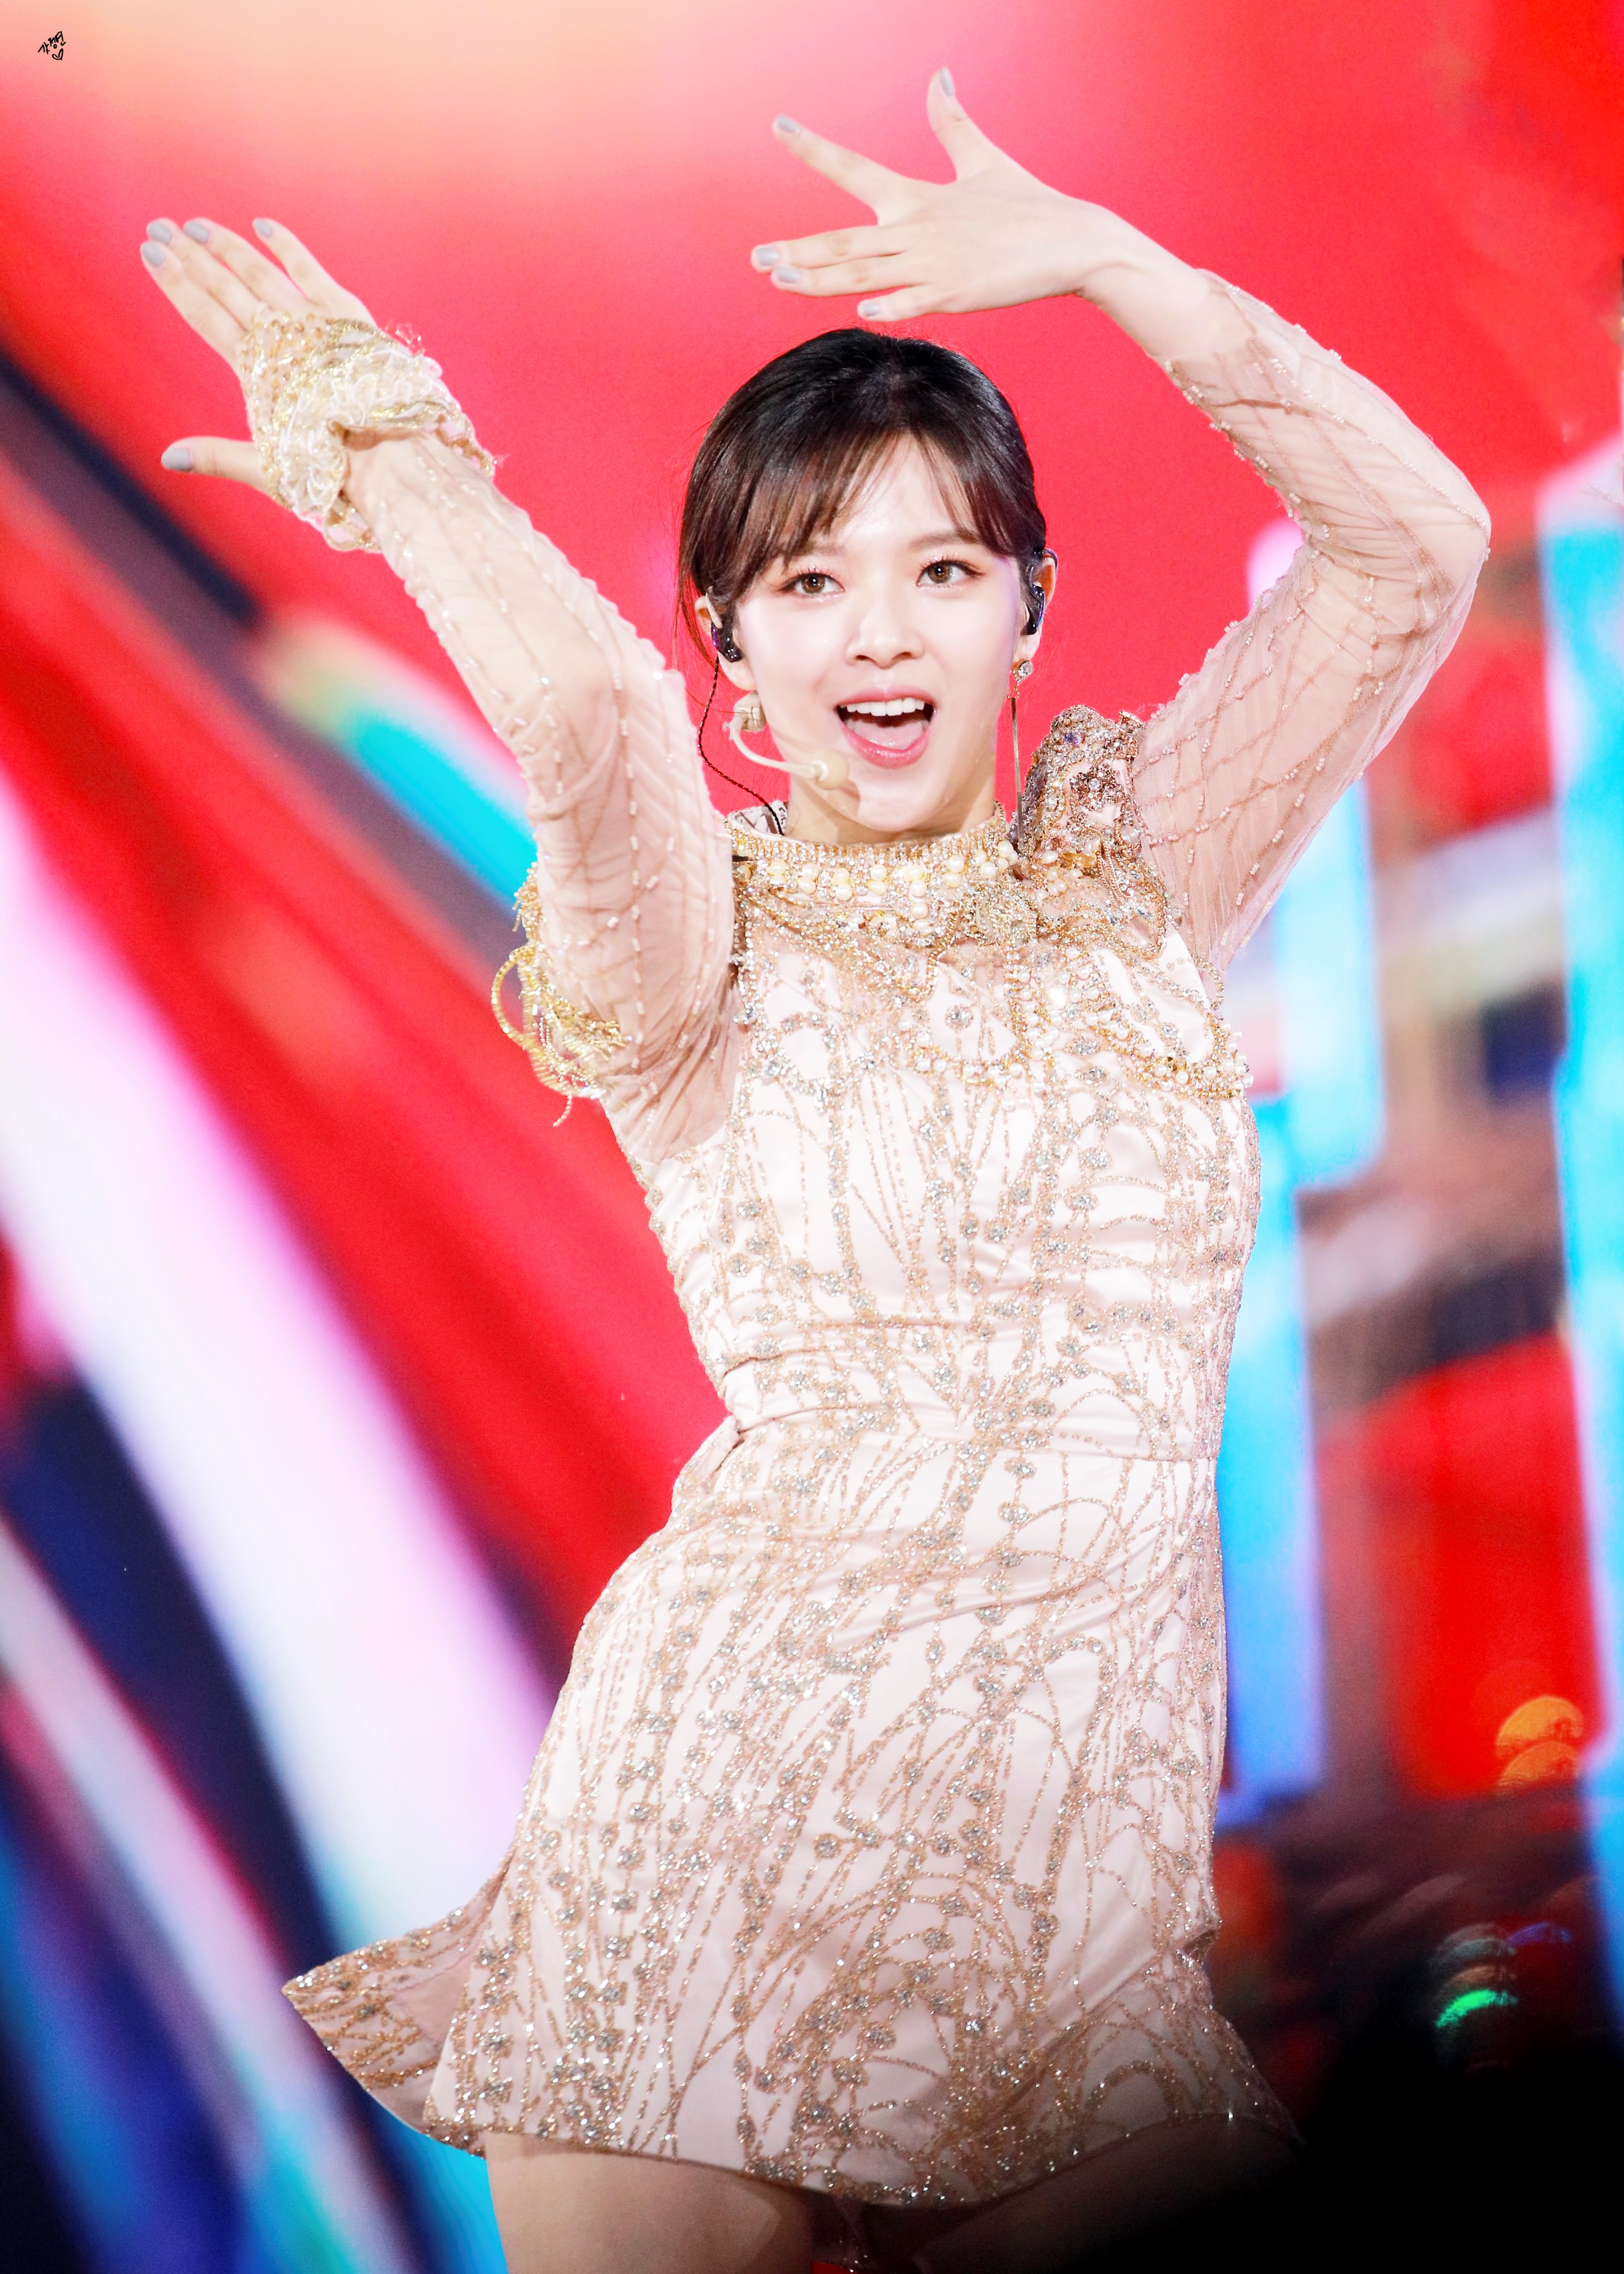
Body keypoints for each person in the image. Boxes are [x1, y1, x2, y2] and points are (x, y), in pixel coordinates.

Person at [139, 69, 1487, 2274]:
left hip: (1070, 1912)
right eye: (808, 580)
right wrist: (388, 449)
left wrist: (1112, 266)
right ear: (735, 643)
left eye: (942, 569)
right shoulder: (689, 946)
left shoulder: (1133, 880)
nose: (881, 632)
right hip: (719, 1848)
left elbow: (1414, 551)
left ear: (1024, 611)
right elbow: (588, 723)